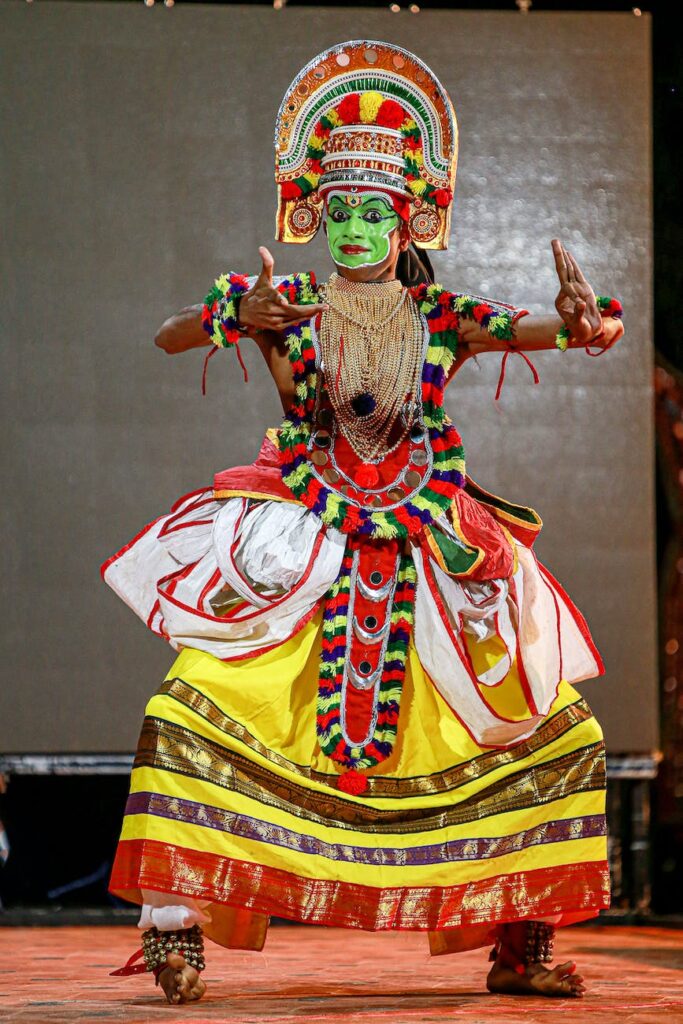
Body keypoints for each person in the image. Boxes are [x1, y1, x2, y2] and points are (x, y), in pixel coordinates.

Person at [103, 40, 623, 1005]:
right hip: (300, 541)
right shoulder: (287, 303)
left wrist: (585, 322)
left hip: (432, 540)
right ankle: (173, 931)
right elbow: (172, 332)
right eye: (336, 209)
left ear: (406, 218)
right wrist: (234, 313)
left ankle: (522, 941)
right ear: (312, 214)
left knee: (539, 724)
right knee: (188, 710)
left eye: (370, 211)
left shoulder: (439, 308)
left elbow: (553, 331)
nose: (350, 226)